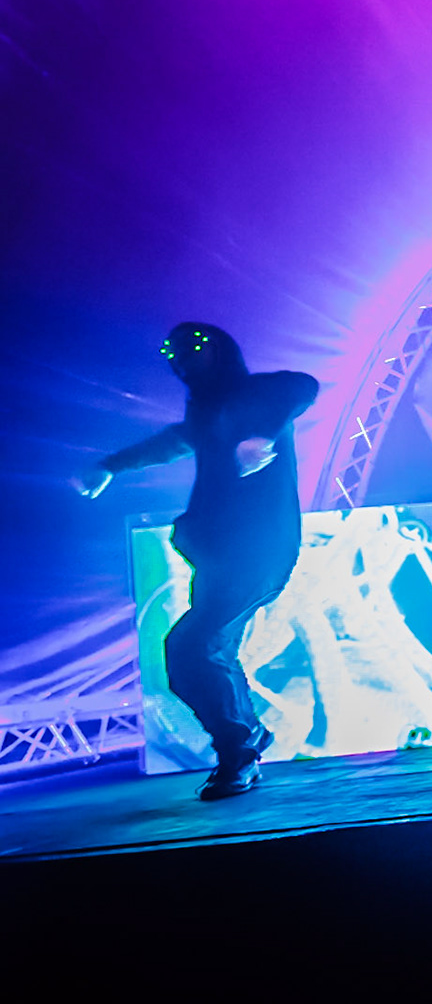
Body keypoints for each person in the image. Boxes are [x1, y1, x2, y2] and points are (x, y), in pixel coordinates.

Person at [74, 323, 319, 798]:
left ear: (220, 348)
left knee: (190, 647)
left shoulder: (260, 394)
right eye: (174, 353)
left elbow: (302, 387)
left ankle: (240, 747)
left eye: (195, 348)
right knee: (210, 650)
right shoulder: (204, 415)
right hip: (218, 554)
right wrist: (109, 466)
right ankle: (244, 741)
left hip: (257, 551)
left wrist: (261, 435)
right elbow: (169, 443)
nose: (183, 360)